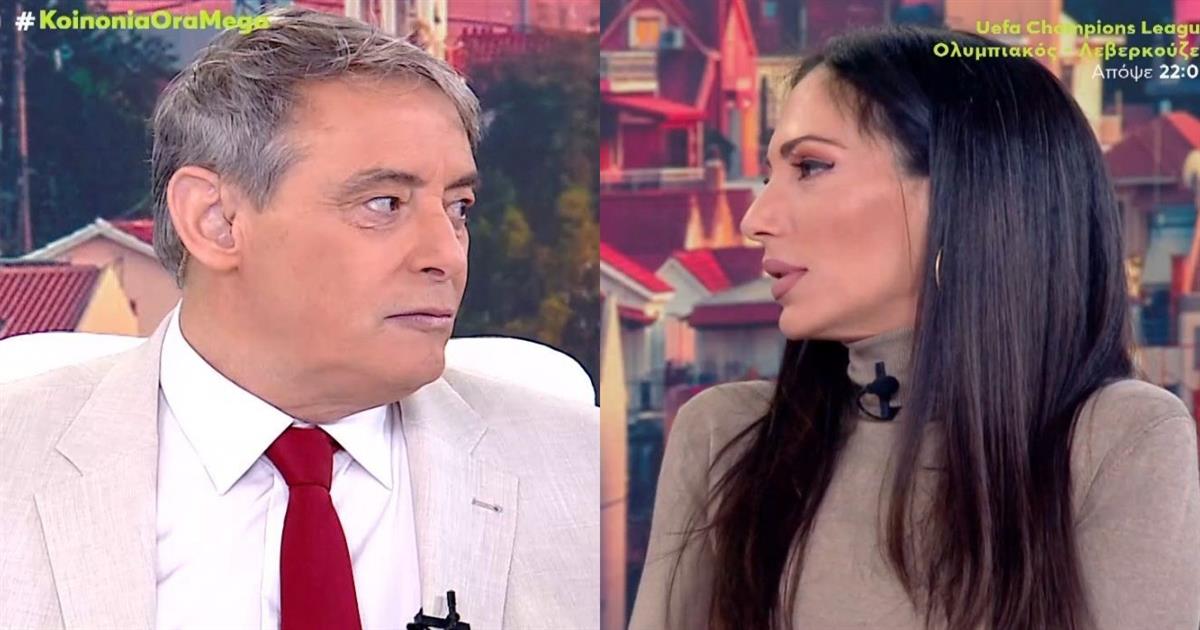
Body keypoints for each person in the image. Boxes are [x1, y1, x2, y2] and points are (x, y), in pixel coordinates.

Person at [0, 8, 598, 630]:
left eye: (458, 208)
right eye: (384, 203)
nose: (445, 255)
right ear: (216, 221)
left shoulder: (581, 470)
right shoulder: (12, 463)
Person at [629, 26, 1200, 630]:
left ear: (960, 195)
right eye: (770, 175)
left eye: (810, 166)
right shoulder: (724, 437)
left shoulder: (1116, 440)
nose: (756, 218)